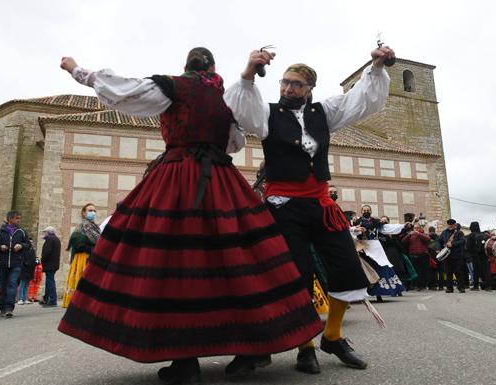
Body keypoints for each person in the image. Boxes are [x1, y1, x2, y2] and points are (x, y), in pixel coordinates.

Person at [57, 48, 323, 384]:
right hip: (221, 181)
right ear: (213, 68)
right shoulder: (224, 99)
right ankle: (253, 346)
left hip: (176, 180)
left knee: (176, 264)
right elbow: (234, 144)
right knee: (240, 262)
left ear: (186, 66)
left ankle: (185, 361)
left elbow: (121, 89)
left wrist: (75, 69)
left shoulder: (172, 87)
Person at [224, 44, 394, 374]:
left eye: (296, 84)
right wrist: (248, 72)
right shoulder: (267, 113)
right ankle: (306, 347)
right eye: (284, 82)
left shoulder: (323, 113)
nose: (288, 88)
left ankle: (332, 335)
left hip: (320, 204)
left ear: (309, 89)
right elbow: (240, 108)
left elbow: (360, 100)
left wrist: (375, 67)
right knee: (298, 275)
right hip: (283, 207)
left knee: (346, 267)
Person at [0, 210, 31, 317]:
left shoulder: (21, 231)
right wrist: (0, 247)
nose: (18, 220)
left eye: (18, 218)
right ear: (10, 219)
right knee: (2, 286)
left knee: (12, 284)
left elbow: (28, 245)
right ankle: (2, 308)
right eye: (17, 218)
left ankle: (9, 308)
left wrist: (21, 245)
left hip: (16, 263)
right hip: (2, 263)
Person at [61, 203, 100, 308]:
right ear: (84, 213)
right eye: (90, 210)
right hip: (82, 258)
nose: (93, 213)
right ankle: (77, 304)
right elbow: (77, 243)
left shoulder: (95, 227)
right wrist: (91, 248)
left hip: (91, 258)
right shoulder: (81, 226)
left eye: (94, 211)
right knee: (79, 281)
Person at [438, 219, 466, 293]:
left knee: (458, 272)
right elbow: (439, 241)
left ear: (455, 225)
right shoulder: (444, 232)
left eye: (452, 225)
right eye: (449, 225)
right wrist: (440, 249)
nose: (450, 226)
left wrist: (452, 244)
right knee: (448, 272)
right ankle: (449, 288)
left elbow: (463, 241)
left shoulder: (459, 233)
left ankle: (461, 287)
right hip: (447, 256)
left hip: (457, 255)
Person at [402, 223, 432, 291]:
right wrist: (409, 235)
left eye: (418, 228)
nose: (416, 229)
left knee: (423, 271)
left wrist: (418, 234)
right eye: (415, 228)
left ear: (420, 228)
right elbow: (403, 241)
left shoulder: (423, 234)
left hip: (423, 255)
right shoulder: (410, 235)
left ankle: (423, 286)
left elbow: (428, 239)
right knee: (415, 272)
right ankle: (416, 286)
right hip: (413, 255)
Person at [465, 222, 491, 291]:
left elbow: (467, 247)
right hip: (484, 255)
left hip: (475, 255)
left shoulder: (471, 235)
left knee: (476, 271)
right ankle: (488, 286)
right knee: (486, 270)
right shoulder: (484, 234)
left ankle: (476, 286)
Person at [40, 226, 61, 307]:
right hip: (53, 264)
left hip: (50, 264)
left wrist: (43, 259)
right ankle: (46, 298)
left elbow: (47, 252)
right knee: (49, 281)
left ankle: (52, 300)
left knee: (50, 281)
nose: (44, 234)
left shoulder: (50, 239)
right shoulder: (56, 239)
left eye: (45, 232)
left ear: (49, 232)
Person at [17, 238, 37, 305]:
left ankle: (25, 298)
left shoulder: (32, 250)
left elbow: (33, 259)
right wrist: (26, 263)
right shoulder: (24, 250)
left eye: (32, 242)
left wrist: (36, 262)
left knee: (27, 285)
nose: (31, 243)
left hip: (30, 269)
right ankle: (20, 299)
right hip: (24, 269)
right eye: (30, 242)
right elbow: (22, 259)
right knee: (22, 284)